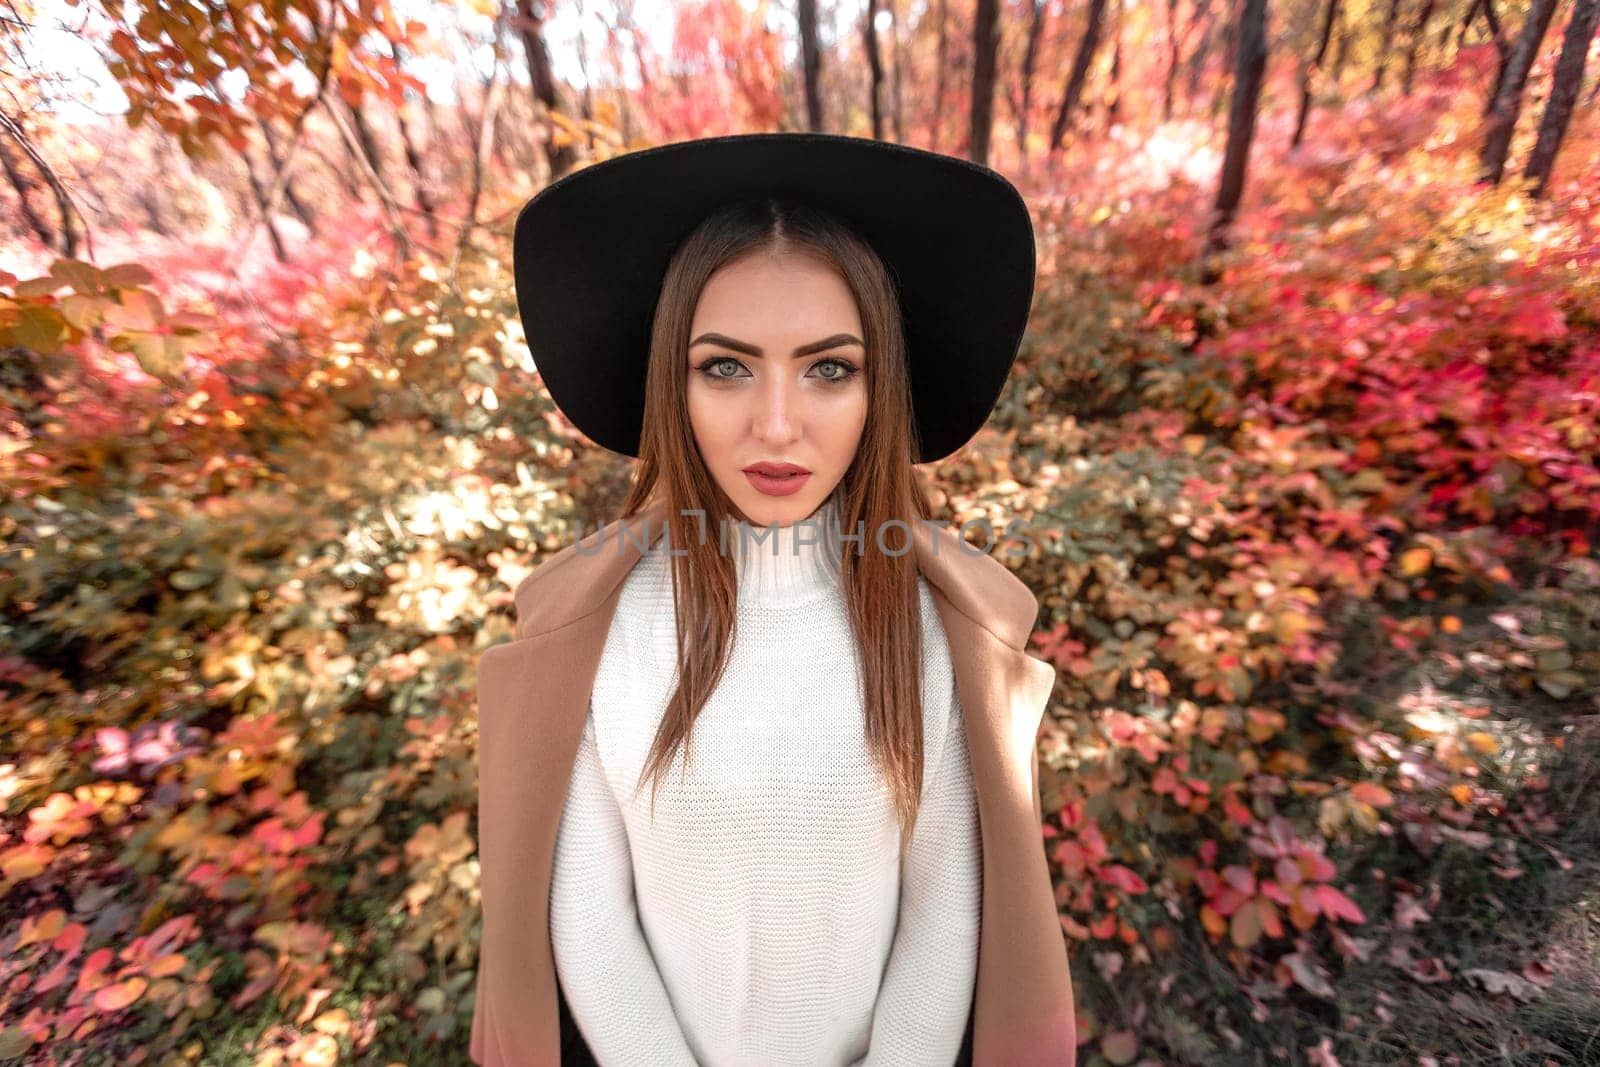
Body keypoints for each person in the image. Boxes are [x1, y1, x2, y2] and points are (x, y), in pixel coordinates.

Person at [470, 132, 1075, 1067]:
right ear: (673, 379)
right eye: (726, 366)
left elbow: (947, 903)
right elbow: (586, 910)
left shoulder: (931, 629)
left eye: (830, 367)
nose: (778, 424)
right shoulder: (599, 632)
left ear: (881, 386)